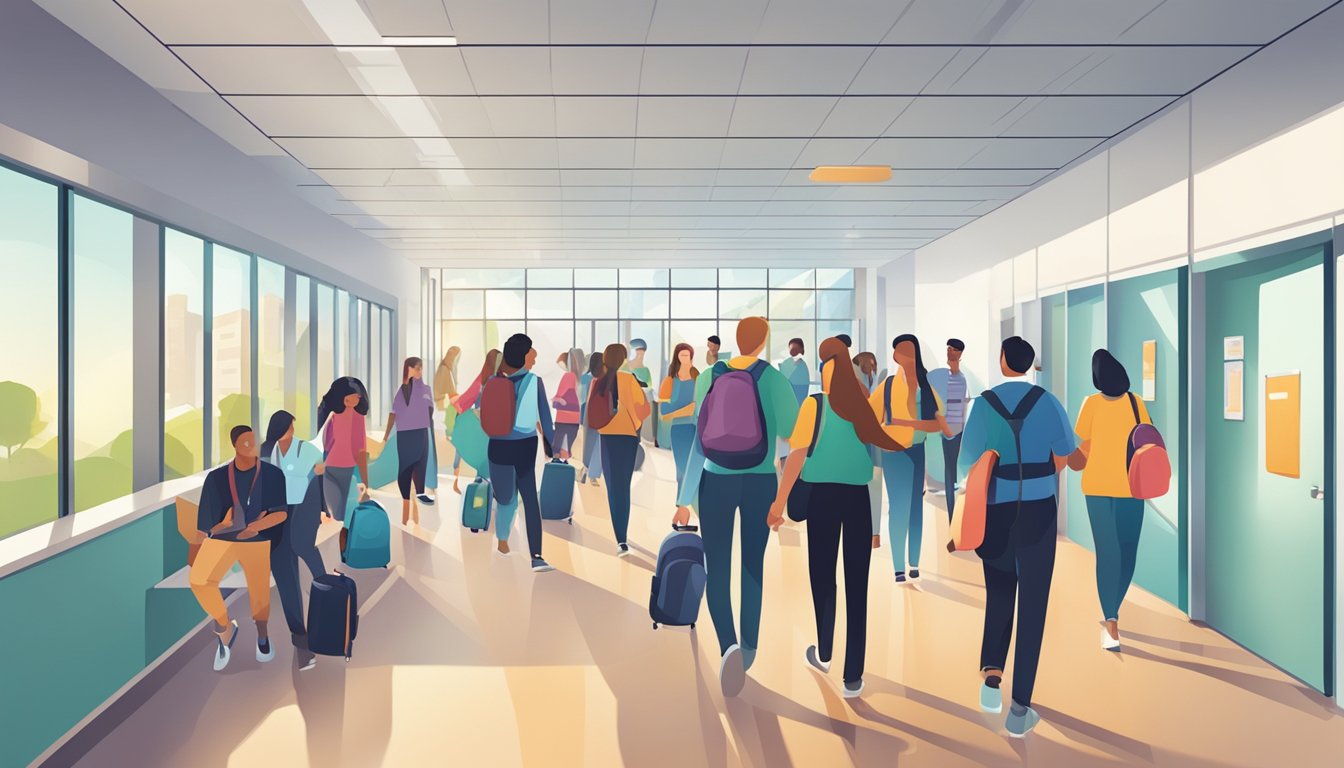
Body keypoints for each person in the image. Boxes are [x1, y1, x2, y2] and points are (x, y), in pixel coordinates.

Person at [673, 316, 798, 697]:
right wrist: (782, 498)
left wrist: (683, 500)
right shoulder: (774, 379)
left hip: (716, 479)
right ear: (763, 342)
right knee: (751, 566)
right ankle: (748, 649)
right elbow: (792, 435)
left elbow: (700, 440)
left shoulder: (710, 374)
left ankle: (726, 644)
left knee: (718, 564)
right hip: (760, 481)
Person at [771, 337, 903, 698]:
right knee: (857, 584)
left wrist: (779, 503)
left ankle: (825, 651)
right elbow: (874, 461)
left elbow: (796, 456)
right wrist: (877, 525)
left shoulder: (815, 405)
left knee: (823, 576)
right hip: (858, 497)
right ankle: (853, 676)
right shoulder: (862, 402)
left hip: (822, 497)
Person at [958, 336, 1077, 738]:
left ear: (1002, 360)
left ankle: (992, 678)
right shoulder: (1049, 402)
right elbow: (1066, 455)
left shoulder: (985, 405)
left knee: (1000, 592)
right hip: (1039, 513)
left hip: (995, 511)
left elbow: (965, 464)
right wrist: (1041, 476)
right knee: (1034, 605)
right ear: (1028, 365)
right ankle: (1020, 709)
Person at [1068, 349, 1151, 652]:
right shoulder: (1135, 402)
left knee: (1113, 552)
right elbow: (1147, 438)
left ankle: (1110, 614)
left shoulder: (1092, 404)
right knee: (1122, 552)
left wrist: (1064, 457)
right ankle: (1112, 616)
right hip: (1124, 488)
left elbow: (1082, 448)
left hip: (1108, 488)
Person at [190, 425, 288, 672]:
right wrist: (221, 526)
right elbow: (205, 526)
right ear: (235, 446)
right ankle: (225, 628)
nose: (251, 446)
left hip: (257, 538)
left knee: (259, 589)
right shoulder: (217, 478)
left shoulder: (272, 474)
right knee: (199, 580)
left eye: (253, 441)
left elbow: (281, 514)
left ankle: (262, 636)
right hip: (224, 538)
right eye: (245, 443)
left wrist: (257, 526)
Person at [870, 334, 950, 584]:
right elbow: (871, 417)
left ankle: (914, 563)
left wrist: (910, 423)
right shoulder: (889, 385)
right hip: (894, 453)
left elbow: (938, 422)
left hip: (918, 452)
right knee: (899, 508)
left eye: (907, 350)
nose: (903, 355)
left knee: (916, 510)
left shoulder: (926, 385)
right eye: (899, 351)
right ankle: (898, 568)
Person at [487, 333, 565, 572]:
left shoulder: (492, 381)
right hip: (524, 446)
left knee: (505, 498)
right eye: (531, 351)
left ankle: (502, 540)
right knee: (529, 499)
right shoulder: (535, 381)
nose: (535, 355)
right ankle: (537, 557)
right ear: (522, 355)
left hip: (497, 445)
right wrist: (555, 447)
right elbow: (545, 418)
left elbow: (485, 414)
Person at [259, 411, 326, 670]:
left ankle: (329, 596)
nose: (292, 431)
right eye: (290, 427)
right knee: (286, 580)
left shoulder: (304, 449)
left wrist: (307, 480)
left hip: (300, 512)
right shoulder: (266, 451)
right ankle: (302, 642)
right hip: (276, 517)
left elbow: (318, 472)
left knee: (305, 550)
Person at [595, 343, 651, 556]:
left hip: (607, 437)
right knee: (623, 487)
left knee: (612, 487)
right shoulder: (630, 379)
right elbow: (644, 411)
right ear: (624, 358)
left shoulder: (598, 381)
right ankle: (623, 539)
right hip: (627, 438)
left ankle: (619, 537)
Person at [383, 357, 436, 525]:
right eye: (417, 368)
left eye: (421, 369)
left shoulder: (426, 389)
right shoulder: (401, 392)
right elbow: (393, 414)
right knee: (405, 467)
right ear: (409, 369)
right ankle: (406, 500)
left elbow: (430, 410)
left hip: (421, 432)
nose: (420, 371)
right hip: (406, 434)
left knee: (421, 464)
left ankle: (419, 495)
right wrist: (385, 437)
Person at [927, 338, 971, 521]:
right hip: (947, 431)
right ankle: (953, 514)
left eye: (953, 349)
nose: (949, 352)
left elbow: (959, 407)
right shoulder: (945, 377)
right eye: (948, 348)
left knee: (952, 473)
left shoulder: (959, 379)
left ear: (959, 353)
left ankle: (955, 514)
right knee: (949, 472)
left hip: (953, 431)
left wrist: (948, 427)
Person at [317, 377, 371, 523]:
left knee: (346, 515)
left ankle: (346, 542)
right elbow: (324, 444)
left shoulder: (358, 418)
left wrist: (366, 483)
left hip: (349, 472)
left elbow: (360, 450)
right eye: (350, 396)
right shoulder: (331, 416)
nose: (354, 399)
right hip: (330, 470)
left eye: (357, 396)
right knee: (338, 514)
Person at [452, 349, 500, 492]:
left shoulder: (496, 379)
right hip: (481, 423)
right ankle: (461, 482)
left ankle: (481, 487)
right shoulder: (483, 380)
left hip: (487, 424)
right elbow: (465, 400)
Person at [659, 343, 699, 497]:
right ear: (677, 357)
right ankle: (681, 502)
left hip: (697, 429)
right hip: (679, 430)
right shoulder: (669, 381)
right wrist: (687, 410)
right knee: (682, 468)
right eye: (681, 355)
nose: (684, 358)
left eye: (687, 355)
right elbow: (663, 411)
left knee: (696, 468)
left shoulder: (698, 379)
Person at [578, 351, 605, 486]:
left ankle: (589, 471)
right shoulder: (595, 380)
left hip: (589, 413)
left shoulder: (586, 378)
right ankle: (590, 472)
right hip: (593, 414)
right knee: (594, 444)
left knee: (592, 444)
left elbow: (582, 398)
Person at [552, 348, 585, 457]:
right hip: (576, 418)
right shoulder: (584, 378)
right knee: (571, 449)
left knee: (558, 448)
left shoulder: (568, 376)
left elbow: (558, 395)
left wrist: (557, 399)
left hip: (564, 417)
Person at [433, 346, 461, 412]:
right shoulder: (444, 369)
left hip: (446, 406)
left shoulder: (445, 368)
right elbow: (449, 391)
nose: (457, 361)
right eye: (456, 358)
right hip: (443, 407)